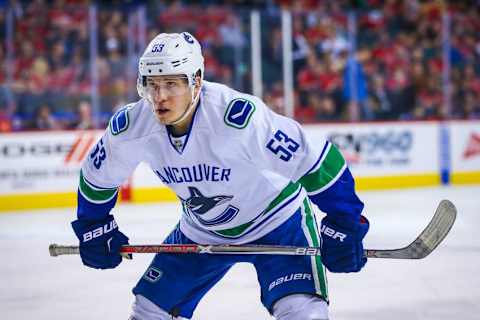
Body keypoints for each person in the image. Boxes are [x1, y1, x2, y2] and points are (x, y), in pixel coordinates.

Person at [71, 32, 369, 320]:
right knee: (149, 311)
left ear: (196, 81)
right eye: (152, 84)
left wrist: (345, 221)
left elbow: (316, 160)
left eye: (172, 84)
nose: (159, 97)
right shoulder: (134, 125)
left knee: (303, 312)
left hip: (278, 219)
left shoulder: (239, 119)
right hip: (202, 228)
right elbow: (97, 177)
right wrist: (94, 226)